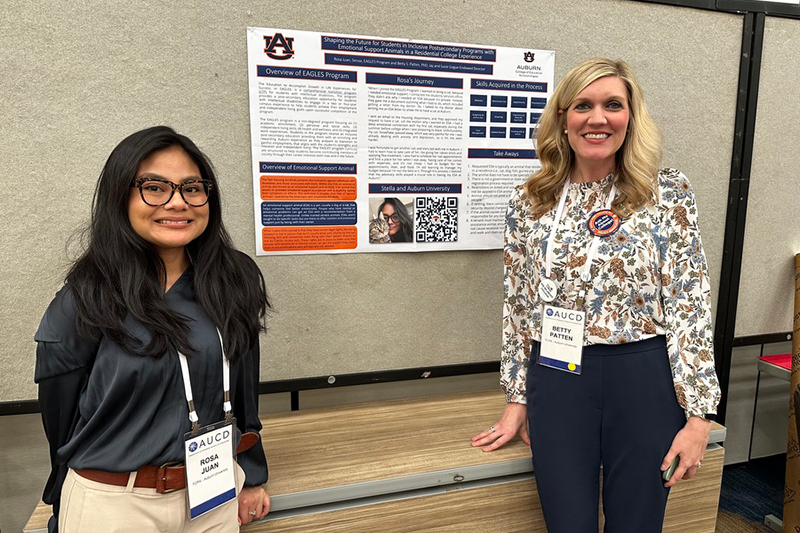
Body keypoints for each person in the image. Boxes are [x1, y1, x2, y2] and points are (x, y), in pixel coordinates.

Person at [471, 58, 721, 532]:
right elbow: (520, 306)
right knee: (567, 523)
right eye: (583, 105)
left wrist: (699, 417)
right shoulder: (530, 201)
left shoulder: (666, 193)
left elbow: (690, 304)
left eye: (613, 105)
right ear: (563, 119)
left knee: (638, 523)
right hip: (558, 378)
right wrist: (517, 397)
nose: (598, 118)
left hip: (643, 378)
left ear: (631, 117)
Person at [35, 126, 271, 532]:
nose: (177, 202)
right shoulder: (87, 297)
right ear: (120, 196)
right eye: (155, 187)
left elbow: (242, 385)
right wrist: (66, 502)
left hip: (213, 493)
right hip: (115, 503)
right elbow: (61, 417)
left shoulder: (234, 278)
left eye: (192, 188)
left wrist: (250, 473)